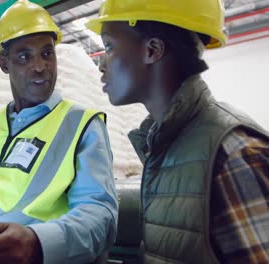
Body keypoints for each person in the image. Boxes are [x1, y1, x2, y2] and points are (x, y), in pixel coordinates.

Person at [0, 0, 118, 263]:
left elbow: (100, 215)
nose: (40, 66)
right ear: (4, 63)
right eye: (24, 56)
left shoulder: (81, 125)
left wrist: (39, 242)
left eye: (47, 53)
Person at [86, 0, 269, 263]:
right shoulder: (164, 146)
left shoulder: (234, 154)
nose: (101, 65)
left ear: (152, 50)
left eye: (109, 47)